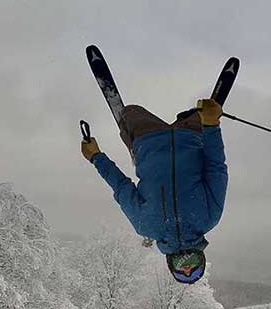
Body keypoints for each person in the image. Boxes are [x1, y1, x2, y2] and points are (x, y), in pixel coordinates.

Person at [81, 99, 227, 284]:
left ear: (170, 263)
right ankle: (194, 115)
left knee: (130, 111)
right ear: (201, 257)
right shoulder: (209, 217)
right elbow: (216, 169)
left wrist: (96, 156)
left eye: (181, 268)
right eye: (193, 265)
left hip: (148, 136)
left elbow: (121, 186)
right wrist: (212, 126)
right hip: (188, 134)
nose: (187, 267)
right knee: (200, 109)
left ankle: (194, 114)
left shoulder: (147, 226)